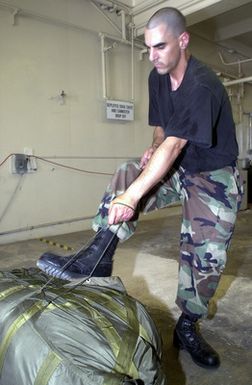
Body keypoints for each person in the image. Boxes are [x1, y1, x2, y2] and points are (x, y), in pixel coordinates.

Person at [37, 7, 243, 369]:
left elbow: (176, 144)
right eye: (148, 48)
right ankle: (98, 255)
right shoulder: (157, 77)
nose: (153, 56)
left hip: (213, 175)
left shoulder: (203, 85)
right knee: (128, 170)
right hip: (177, 165)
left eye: (160, 47)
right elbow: (164, 132)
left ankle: (188, 325)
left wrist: (133, 197)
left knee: (205, 255)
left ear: (183, 40)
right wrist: (152, 148)